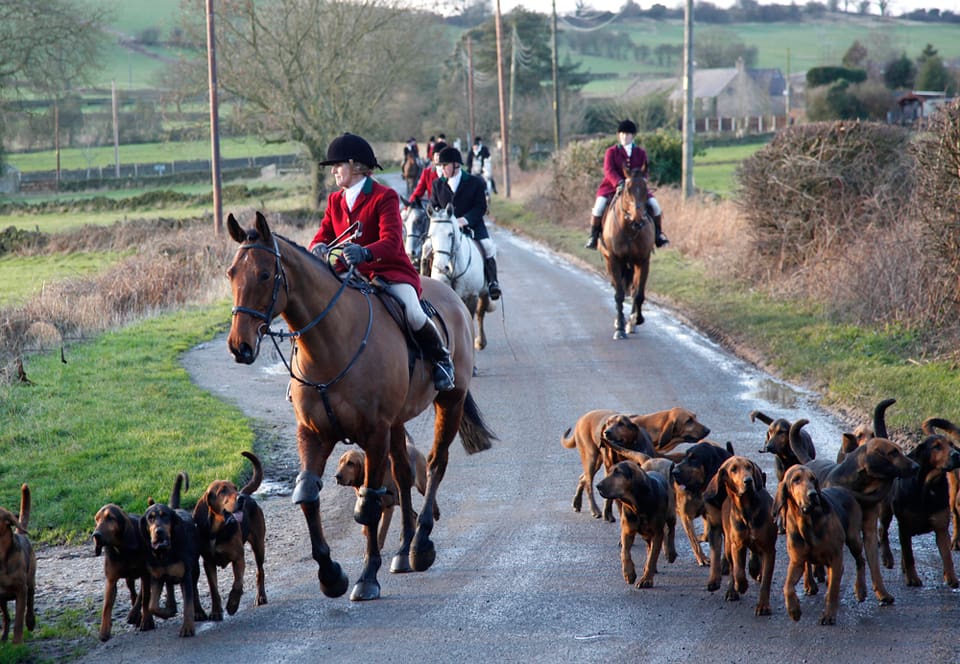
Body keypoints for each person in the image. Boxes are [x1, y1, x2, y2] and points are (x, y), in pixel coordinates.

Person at [307, 133, 455, 392]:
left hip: (389, 272)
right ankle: (309, 374)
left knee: (413, 312)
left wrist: (365, 253)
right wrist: (316, 246)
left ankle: (442, 360)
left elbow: (392, 241)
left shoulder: (384, 196)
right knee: (315, 308)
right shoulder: (335, 200)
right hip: (348, 273)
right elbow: (324, 234)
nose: (333, 171)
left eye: (337, 165)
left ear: (354, 165)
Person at [428, 146, 501, 300]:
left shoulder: (475, 182)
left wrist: (464, 220)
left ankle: (492, 282)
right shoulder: (437, 184)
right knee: (427, 248)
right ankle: (425, 282)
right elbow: (434, 205)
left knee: (488, 246)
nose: (441, 169)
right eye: (440, 165)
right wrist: (440, 217)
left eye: (444, 165)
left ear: (456, 165)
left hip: (471, 226)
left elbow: (481, 207)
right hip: (446, 229)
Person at [585, 119, 669, 250]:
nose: (624, 137)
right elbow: (608, 170)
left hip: (636, 189)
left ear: (633, 136)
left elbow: (645, 171)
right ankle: (594, 236)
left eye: (628, 134)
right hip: (611, 187)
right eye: (622, 134)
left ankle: (658, 235)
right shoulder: (611, 152)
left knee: (655, 206)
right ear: (619, 135)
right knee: (598, 207)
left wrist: (643, 181)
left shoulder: (640, 152)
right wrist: (619, 182)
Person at [407, 140, 446, 208]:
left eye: (441, 155)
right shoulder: (427, 173)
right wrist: (408, 205)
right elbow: (418, 192)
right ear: (433, 156)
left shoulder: (452, 172)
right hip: (433, 209)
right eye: (437, 155)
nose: (438, 157)